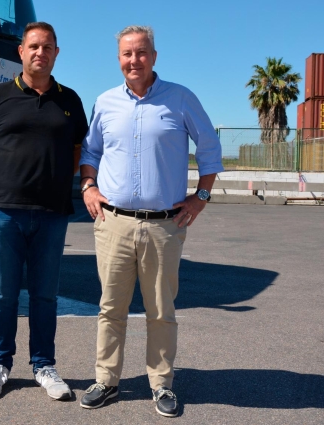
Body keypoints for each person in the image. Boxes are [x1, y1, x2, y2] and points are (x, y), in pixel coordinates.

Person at [78, 25, 223, 417]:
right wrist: (89, 187)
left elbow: (209, 147)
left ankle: (161, 384)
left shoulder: (180, 99)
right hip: (114, 224)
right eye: (127, 54)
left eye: (141, 53)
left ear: (154, 57)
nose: (133, 61)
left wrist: (201, 197)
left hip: (164, 225)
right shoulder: (105, 102)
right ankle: (106, 381)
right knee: (111, 307)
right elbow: (90, 151)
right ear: (119, 59)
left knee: (161, 309)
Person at [0, 22, 88, 400]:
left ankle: (44, 366)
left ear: (56, 53)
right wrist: (1, 184)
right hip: (4, 212)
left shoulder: (70, 101)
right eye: (34, 46)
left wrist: (48, 182)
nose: (40, 52)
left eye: (48, 47)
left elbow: (77, 153)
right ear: (21, 52)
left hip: (51, 212)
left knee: (44, 294)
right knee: (3, 292)